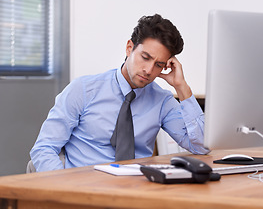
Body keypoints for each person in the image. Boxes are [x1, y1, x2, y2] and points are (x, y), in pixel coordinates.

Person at [30, 14, 210, 172]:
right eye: (145, 57)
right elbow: (44, 148)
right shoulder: (83, 90)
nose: (148, 70)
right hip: (83, 189)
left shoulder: (162, 101)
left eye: (158, 65)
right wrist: (65, 190)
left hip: (135, 192)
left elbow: (202, 146)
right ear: (129, 48)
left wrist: (182, 88)